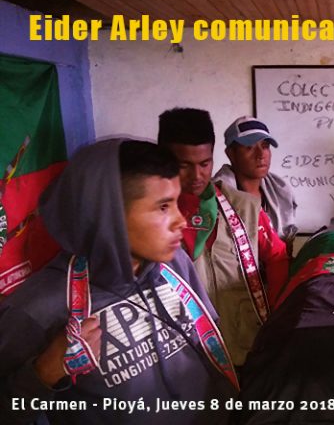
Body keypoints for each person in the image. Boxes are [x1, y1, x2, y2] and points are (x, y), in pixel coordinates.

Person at [0, 138, 236, 424]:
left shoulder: (174, 264)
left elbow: (207, 346)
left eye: (176, 202)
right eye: (163, 207)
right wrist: (43, 373)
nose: (181, 221)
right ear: (108, 214)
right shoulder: (38, 307)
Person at [157, 108, 289, 367]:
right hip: (185, 354)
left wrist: (277, 315)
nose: (197, 176)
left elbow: (277, 256)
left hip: (244, 347)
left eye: (204, 164)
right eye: (184, 166)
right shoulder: (149, 217)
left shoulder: (244, 207)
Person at [213, 116, 298, 253]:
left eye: (265, 146)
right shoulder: (217, 196)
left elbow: (286, 249)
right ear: (231, 154)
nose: (261, 155)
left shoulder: (280, 190)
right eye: (249, 147)